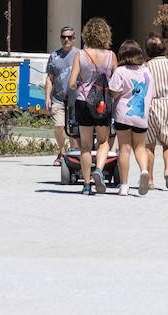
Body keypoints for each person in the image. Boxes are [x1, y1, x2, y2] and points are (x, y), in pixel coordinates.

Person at [68, 17, 116, 195]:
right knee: (103, 142)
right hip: (103, 103)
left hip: (83, 102)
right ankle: (99, 170)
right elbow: (116, 82)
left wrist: (80, 89)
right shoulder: (111, 56)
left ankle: (87, 185)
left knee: (86, 146)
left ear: (86, 34)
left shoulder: (80, 55)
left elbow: (71, 83)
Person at [109, 39, 154, 197]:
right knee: (140, 147)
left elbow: (114, 92)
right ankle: (144, 171)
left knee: (124, 149)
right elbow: (151, 94)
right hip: (141, 116)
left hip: (123, 115)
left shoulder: (120, 71)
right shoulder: (147, 72)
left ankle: (124, 186)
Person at [144, 33, 168, 190]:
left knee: (149, 145)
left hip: (150, 105)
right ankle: (167, 169)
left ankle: (150, 180)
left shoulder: (145, 67)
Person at [45, 26, 77, 164]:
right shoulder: (54, 56)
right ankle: (62, 152)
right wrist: (47, 97)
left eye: (69, 37)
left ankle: (74, 153)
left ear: (74, 39)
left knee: (74, 128)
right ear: (60, 38)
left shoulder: (79, 55)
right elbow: (49, 78)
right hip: (58, 98)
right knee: (58, 126)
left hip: (75, 99)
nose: (66, 39)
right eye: (64, 37)